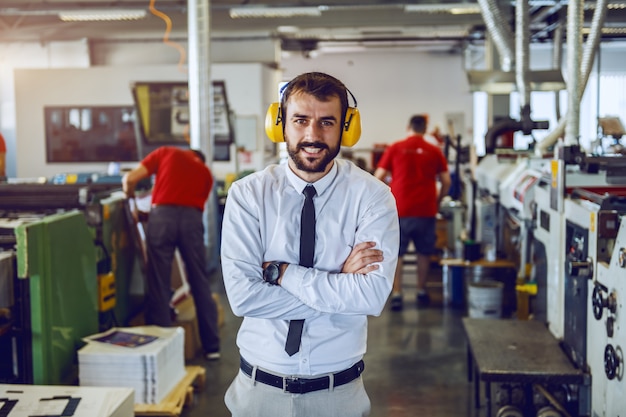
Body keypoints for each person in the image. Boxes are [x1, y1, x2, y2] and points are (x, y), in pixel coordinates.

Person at [220, 72, 399, 417]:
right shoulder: (249, 195)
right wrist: (339, 283)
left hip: (339, 395)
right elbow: (244, 298)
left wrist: (283, 273)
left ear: (346, 128)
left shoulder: (373, 197)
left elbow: (372, 297)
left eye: (326, 122)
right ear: (281, 125)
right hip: (258, 391)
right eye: (300, 120)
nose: (312, 135)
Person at [122, 146, 221, 359]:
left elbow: (130, 179)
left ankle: (166, 351)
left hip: (162, 218)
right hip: (192, 221)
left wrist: (130, 199)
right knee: (199, 281)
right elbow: (193, 205)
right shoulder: (206, 174)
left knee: (159, 281)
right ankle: (212, 347)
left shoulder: (166, 153)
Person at [374, 114, 451, 311]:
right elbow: (447, 181)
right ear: (425, 129)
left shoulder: (395, 147)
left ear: (408, 127)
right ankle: (421, 291)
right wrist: (438, 200)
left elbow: (378, 177)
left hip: (399, 210)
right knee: (424, 253)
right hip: (426, 209)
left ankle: (397, 294)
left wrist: (387, 199)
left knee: (396, 253)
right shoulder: (434, 150)